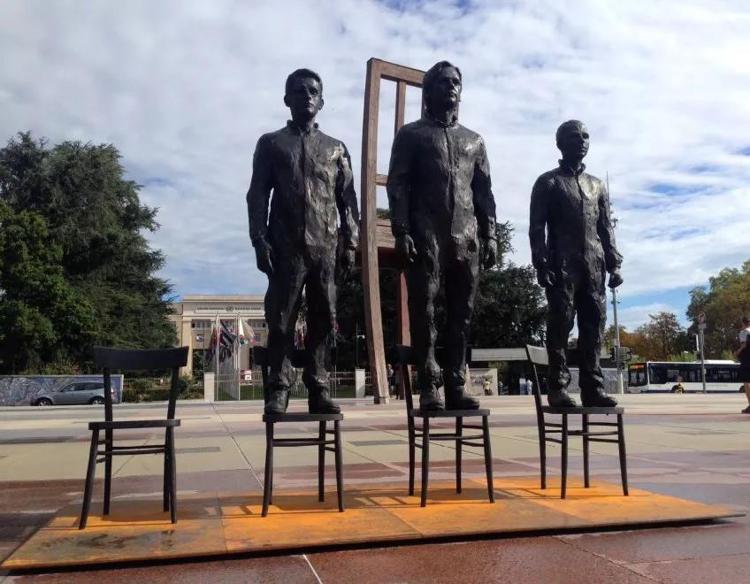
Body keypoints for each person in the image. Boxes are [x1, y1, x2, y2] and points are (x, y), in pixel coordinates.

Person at [247, 68, 359, 415]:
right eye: (298, 91)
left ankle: (319, 385)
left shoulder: (336, 148)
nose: (306, 96)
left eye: (313, 91)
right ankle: (278, 389)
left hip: (326, 247)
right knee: (281, 319)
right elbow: (256, 195)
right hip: (285, 246)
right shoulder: (271, 143)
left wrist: (351, 242)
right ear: (287, 99)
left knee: (325, 318)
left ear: (322, 101)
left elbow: (348, 201)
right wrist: (259, 239)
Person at [387, 60, 497, 411]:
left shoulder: (474, 140)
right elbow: (398, 184)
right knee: (424, 310)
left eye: (456, 83)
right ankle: (429, 386)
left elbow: (484, 193)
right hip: (425, 234)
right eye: (444, 82)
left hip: (466, 238)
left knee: (461, 313)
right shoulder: (411, 135)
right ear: (429, 90)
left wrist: (490, 235)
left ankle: (455, 383)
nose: (451, 87)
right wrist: (401, 230)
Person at [529, 120, 623, 408]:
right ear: (560, 143)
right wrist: (541, 264)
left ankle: (592, 387)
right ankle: (557, 387)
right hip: (562, 264)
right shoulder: (548, 182)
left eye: (585, 136)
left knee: (594, 326)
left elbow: (606, 227)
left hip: (594, 265)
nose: (581, 140)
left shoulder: (597, 185)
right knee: (560, 325)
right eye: (574, 136)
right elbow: (536, 228)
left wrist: (614, 262)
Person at [735, 316, 750, 413]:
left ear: (743, 323)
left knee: (747, 382)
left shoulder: (744, 332)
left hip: (747, 359)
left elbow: (744, 344)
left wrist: (738, 351)